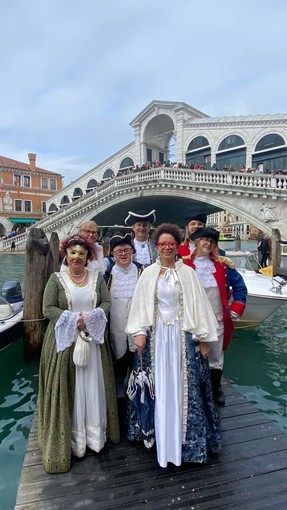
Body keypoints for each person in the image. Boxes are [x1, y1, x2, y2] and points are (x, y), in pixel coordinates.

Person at [126, 223, 221, 468]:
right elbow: (139, 304)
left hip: (182, 338)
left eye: (170, 244)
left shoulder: (187, 273)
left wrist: (202, 339)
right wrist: (139, 331)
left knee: (185, 388)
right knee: (158, 385)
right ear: (156, 247)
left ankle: (186, 443)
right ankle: (157, 437)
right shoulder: (148, 273)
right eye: (162, 244)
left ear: (177, 246)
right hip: (156, 337)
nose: (166, 248)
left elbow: (199, 306)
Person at [38, 235, 120, 473]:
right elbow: (47, 308)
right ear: (66, 254)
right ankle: (74, 441)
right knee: (69, 387)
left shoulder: (97, 278)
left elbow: (106, 303)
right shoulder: (56, 279)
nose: (76, 257)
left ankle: (95, 437)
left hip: (92, 342)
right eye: (72, 253)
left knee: (93, 385)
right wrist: (74, 319)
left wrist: (91, 318)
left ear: (88, 256)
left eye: (81, 253)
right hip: (65, 342)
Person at [188, 227, 247, 406]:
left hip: (217, 319)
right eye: (204, 240)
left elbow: (240, 288)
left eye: (212, 241)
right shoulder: (184, 265)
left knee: (215, 359)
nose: (208, 244)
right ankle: (194, 395)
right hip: (192, 320)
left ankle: (214, 393)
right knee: (191, 358)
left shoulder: (223, 265)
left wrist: (236, 308)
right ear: (197, 241)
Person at [104, 233, 144, 399]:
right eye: (119, 251)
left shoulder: (142, 271)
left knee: (139, 370)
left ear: (132, 251)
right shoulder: (107, 276)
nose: (123, 254)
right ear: (113, 254)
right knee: (118, 372)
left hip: (139, 332)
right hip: (116, 331)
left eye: (127, 250)